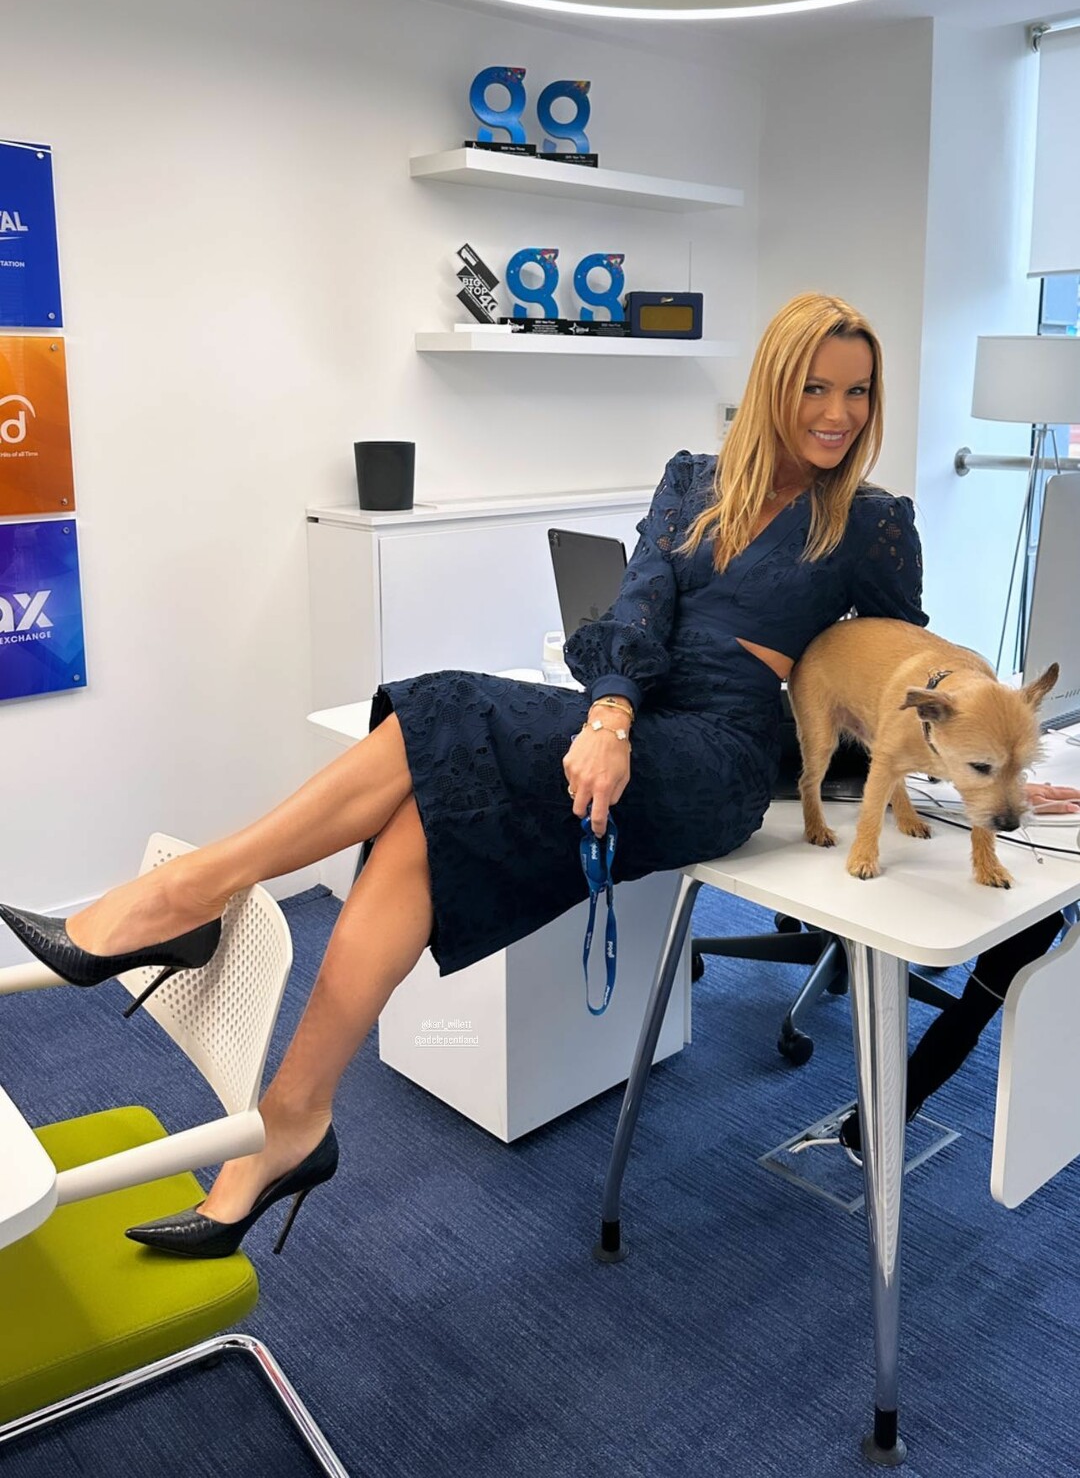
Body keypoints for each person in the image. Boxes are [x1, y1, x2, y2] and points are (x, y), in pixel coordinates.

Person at [1, 291, 1073, 1256]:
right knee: (422, 816)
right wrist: (610, 711)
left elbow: (912, 664)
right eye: (816, 387)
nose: (838, 413)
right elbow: (637, 609)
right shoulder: (693, 481)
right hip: (642, 714)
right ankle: (290, 1122)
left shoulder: (874, 522)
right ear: (771, 384)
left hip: (723, 754)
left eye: (859, 392)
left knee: (444, 703)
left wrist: (1007, 753)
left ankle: (188, 897)